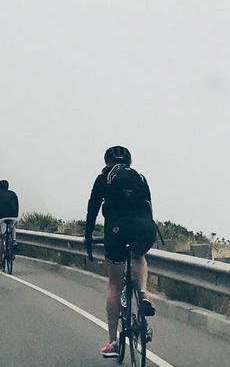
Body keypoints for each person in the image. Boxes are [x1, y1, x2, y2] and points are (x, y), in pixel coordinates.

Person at [85, 145, 159, 359]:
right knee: (139, 256)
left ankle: (113, 342)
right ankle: (143, 293)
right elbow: (149, 207)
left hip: (116, 229)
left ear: (107, 161)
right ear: (130, 162)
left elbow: (93, 208)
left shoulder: (104, 177)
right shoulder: (141, 178)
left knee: (115, 285)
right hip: (145, 228)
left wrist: (89, 238)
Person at [0, 179, 20, 268]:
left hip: (1, 217)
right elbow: (17, 205)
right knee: (13, 226)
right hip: (13, 215)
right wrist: (15, 216)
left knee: (0, 238)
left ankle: (0, 261)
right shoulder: (13, 194)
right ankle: (14, 241)